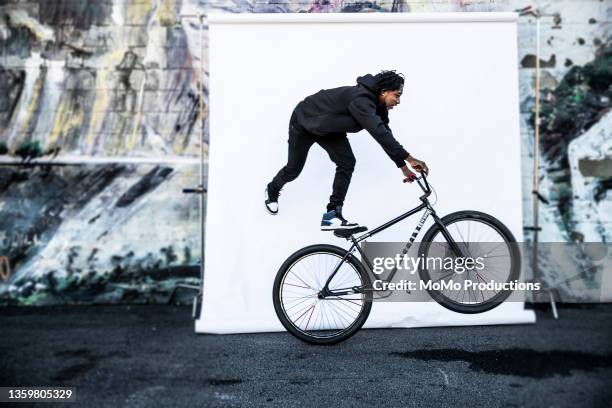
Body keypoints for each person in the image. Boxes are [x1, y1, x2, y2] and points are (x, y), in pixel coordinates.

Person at [265, 70, 428, 230]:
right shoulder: (361, 100)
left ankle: (331, 216)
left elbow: (385, 134)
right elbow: (378, 132)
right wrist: (410, 158)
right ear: (384, 92)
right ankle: (272, 188)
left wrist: (403, 166)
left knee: (347, 162)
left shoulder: (379, 107)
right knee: (293, 170)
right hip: (304, 122)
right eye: (397, 95)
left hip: (329, 129)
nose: (398, 101)